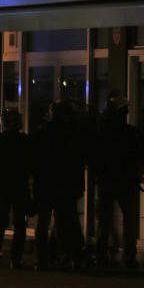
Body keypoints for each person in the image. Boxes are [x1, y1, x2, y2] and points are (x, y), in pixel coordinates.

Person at [33, 99, 87, 270]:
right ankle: (74, 257)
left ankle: (43, 259)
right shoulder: (73, 134)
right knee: (69, 222)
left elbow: (37, 163)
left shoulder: (44, 133)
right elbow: (77, 162)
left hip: (47, 185)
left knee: (44, 224)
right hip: (65, 187)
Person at [91, 94, 141, 269]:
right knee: (128, 222)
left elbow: (96, 158)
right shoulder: (130, 133)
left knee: (105, 222)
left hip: (108, 181)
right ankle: (128, 257)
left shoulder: (102, 132)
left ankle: (102, 255)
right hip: (126, 182)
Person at [0, 108, 32, 269]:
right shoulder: (24, 140)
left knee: (0, 222)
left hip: (1, 186)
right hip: (19, 185)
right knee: (19, 223)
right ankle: (15, 258)